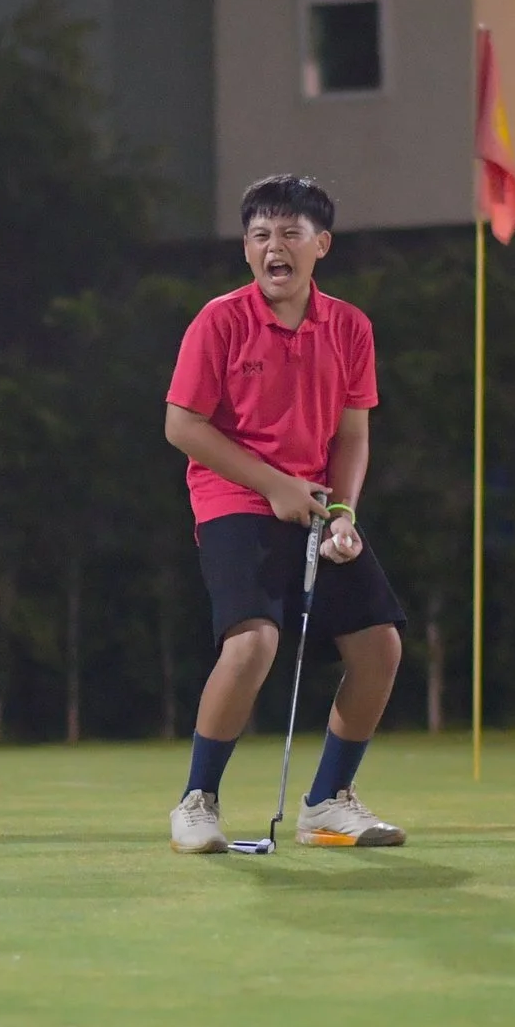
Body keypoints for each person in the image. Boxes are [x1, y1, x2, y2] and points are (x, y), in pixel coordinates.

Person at [162, 174, 409, 854]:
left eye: (290, 233)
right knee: (253, 642)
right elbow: (182, 425)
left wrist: (344, 513)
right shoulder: (220, 320)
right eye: (261, 234)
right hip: (234, 498)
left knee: (379, 645)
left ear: (320, 244)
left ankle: (327, 802)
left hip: (317, 503)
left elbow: (352, 433)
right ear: (246, 249)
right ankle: (197, 799)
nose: (275, 246)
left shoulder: (351, 327)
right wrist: (273, 485)